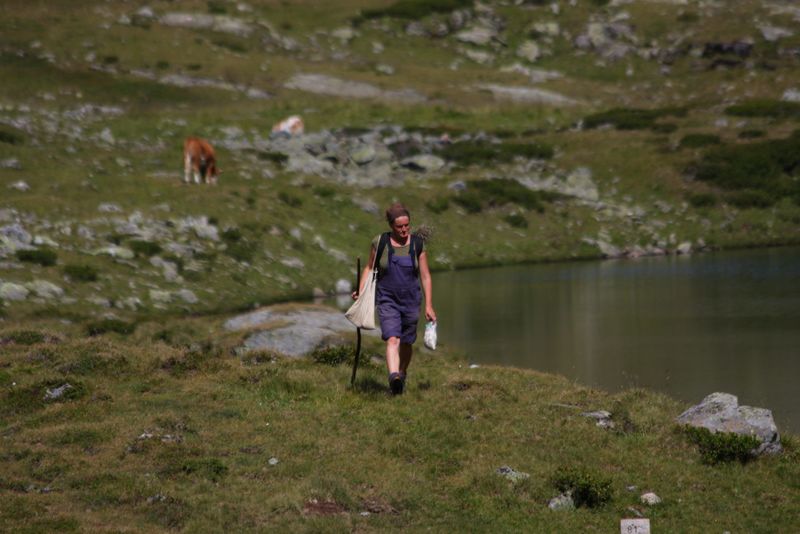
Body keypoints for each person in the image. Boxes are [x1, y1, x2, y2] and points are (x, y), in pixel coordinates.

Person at [352, 203, 436, 395]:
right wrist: (360, 290)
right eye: (400, 226)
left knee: (407, 342)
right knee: (392, 339)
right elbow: (369, 268)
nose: (405, 229)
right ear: (391, 225)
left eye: (407, 225)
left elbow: (425, 276)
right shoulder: (380, 242)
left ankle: (402, 373)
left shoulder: (417, 245)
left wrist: (429, 305)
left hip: (411, 300)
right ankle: (394, 377)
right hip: (387, 298)